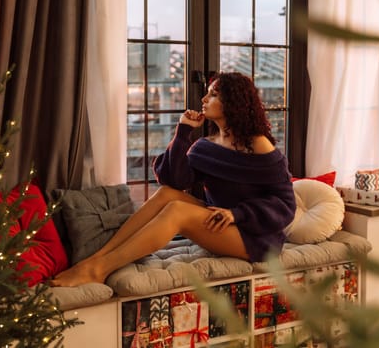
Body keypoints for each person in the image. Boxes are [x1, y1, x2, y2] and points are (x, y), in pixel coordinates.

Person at [50, 72, 296, 287]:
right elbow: (173, 181)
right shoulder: (207, 146)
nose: (204, 100)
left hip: (255, 238)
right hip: (219, 224)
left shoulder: (257, 145)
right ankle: (96, 258)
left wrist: (237, 214)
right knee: (168, 195)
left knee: (177, 211)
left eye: (212, 95)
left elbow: (285, 205)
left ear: (232, 103)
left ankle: (99, 270)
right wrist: (183, 132)